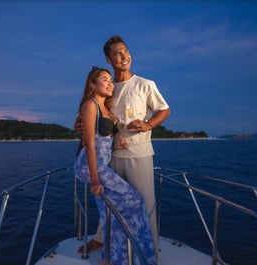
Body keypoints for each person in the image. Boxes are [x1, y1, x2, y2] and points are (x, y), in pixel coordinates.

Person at [76, 35, 170, 261]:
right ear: (109, 59)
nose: (124, 56)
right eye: (117, 53)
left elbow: (164, 110)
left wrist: (148, 124)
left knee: (145, 204)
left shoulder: (145, 84)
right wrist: (78, 123)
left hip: (139, 153)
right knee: (110, 202)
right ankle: (103, 239)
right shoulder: (107, 86)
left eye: (126, 51)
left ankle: (149, 250)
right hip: (110, 156)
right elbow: (93, 115)